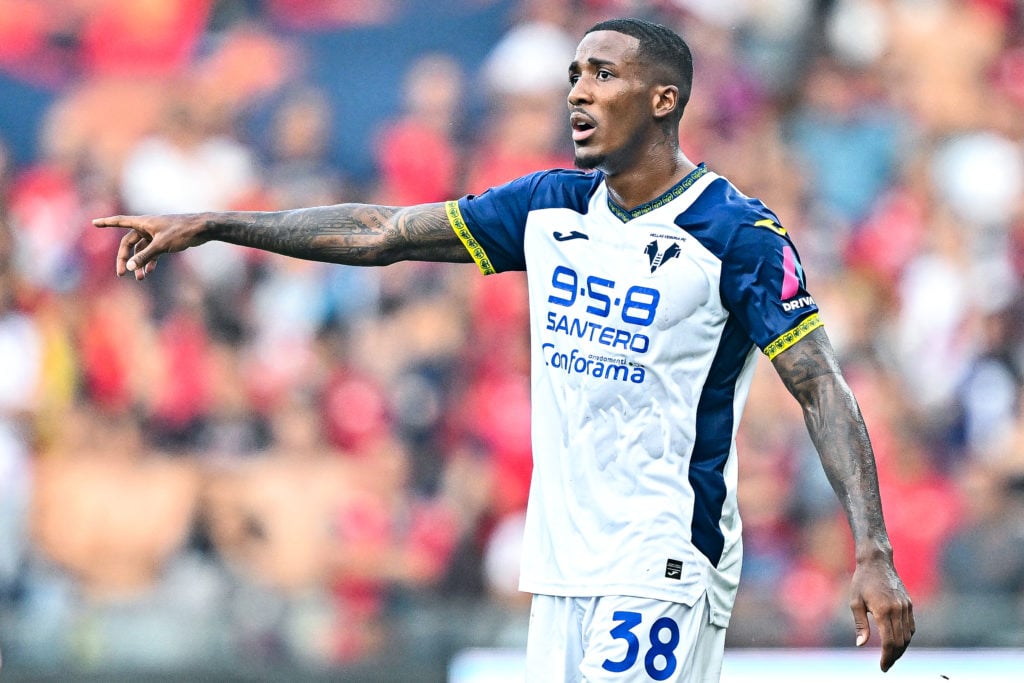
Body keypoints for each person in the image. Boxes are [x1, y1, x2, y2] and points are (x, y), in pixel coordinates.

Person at [95, 17, 914, 682]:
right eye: (573, 77)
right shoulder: (547, 208)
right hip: (560, 559)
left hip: (665, 553)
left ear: (665, 100)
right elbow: (383, 232)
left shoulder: (737, 233)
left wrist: (872, 550)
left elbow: (820, 387)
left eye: (602, 75)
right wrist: (215, 224)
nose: (578, 94)